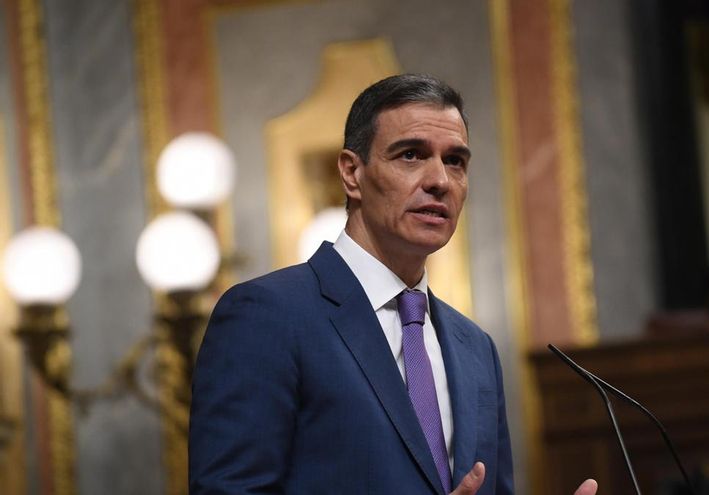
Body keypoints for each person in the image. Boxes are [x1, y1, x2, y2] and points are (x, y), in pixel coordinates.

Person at [189, 74, 598, 495]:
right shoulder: (267, 315)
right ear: (352, 173)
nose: (439, 180)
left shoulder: (475, 348)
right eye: (411, 155)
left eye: (455, 161)